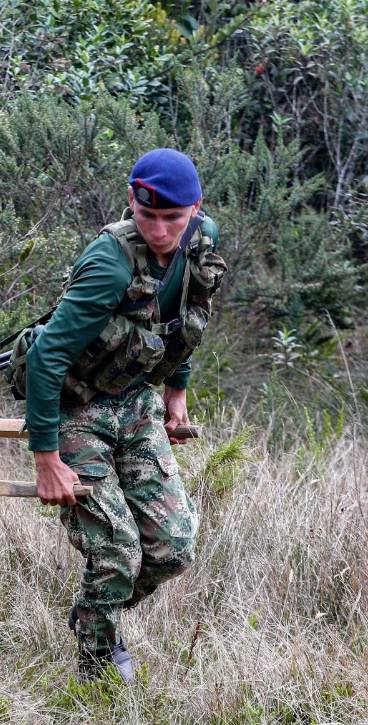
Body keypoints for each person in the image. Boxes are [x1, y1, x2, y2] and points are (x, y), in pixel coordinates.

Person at [23, 148, 226, 683]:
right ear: (131, 202)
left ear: (196, 209)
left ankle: (95, 610)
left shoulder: (201, 242)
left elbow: (184, 323)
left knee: (172, 549)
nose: (160, 231)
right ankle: (97, 661)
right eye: (147, 216)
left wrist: (176, 396)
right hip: (77, 408)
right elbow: (47, 358)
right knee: (116, 551)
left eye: (173, 219)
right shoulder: (108, 262)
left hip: (135, 404)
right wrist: (46, 458)